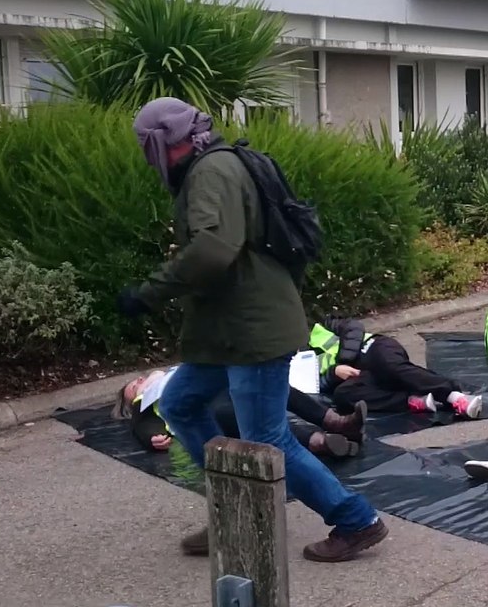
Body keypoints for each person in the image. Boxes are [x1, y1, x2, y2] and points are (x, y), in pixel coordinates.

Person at [115, 97, 388, 563]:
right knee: (180, 405)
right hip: (227, 333)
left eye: (147, 146)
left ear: (164, 142)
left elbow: (213, 249)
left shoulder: (211, 171)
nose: (147, 156)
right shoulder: (213, 166)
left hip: (253, 332)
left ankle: (356, 520)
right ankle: (237, 511)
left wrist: (149, 293)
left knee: (267, 438)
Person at [112, 367, 367, 459]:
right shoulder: (144, 401)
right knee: (244, 416)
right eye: (133, 386)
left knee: (272, 386)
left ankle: (336, 422)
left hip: (220, 386)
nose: (140, 380)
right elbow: (142, 424)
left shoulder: (173, 373)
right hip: (209, 408)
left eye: (138, 379)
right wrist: (152, 437)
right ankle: (320, 442)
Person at [309, 317, 484, 418]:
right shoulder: (298, 360)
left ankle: (454, 396)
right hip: (358, 373)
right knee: (343, 395)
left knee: (391, 368)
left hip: (372, 347)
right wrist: (334, 373)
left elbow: (353, 328)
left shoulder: (319, 327)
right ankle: (411, 400)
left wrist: (344, 360)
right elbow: (317, 385)